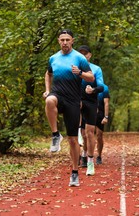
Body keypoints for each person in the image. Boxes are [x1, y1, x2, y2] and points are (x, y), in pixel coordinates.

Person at [43, 29, 94, 187]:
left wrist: (80, 73)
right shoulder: (53, 58)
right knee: (50, 100)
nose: (65, 42)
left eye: (68, 39)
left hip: (73, 100)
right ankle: (55, 134)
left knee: (73, 140)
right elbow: (48, 73)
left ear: (73, 41)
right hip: (58, 94)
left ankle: (74, 172)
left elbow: (91, 77)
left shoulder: (79, 58)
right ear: (58, 41)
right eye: (62, 39)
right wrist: (47, 89)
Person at [78, 45, 105, 176]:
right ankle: (78, 133)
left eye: (86, 53)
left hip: (91, 101)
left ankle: (89, 161)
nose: (83, 56)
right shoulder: (73, 68)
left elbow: (102, 87)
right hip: (77, 99)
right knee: (82, 133)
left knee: (89, 133)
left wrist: (93, 90)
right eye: (81, 53)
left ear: (90, 55)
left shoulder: (96, 69)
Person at [95, 84, 110, 165]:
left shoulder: (104, 88)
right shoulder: (86, 84)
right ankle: (84, 155)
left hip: (100, 114)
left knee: (99, 135)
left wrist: (106, 117)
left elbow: (106, 103)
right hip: (89, 113)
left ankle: (99, 156)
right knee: (85, 135)